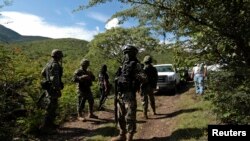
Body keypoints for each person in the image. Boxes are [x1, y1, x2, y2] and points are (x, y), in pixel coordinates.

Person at [112, 45, 147, 141]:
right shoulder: (123, 65)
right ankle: (122, 134)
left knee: (130, 117)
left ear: (132, 54)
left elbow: (144, 78)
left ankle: (129, 137)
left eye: (127, 53)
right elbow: (117, 77)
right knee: (120, 116)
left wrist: (137, 76)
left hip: (130, 94)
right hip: (121, 94)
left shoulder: (136, 65)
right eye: (125, 53)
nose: (126, 55)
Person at [41, 49, 64, 129]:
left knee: (51, 106)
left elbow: (42, 73)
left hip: (48, 88)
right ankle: (46, 127)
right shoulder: (55, 65)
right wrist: (58, 89)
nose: (61, 57)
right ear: (58, 56)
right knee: (51, 107)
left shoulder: (48, 64)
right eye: (60, 56)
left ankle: (50, 124)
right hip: (53, 89)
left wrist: (48, 79)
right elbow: (56, 79)